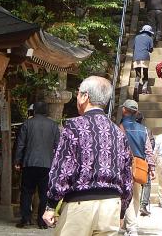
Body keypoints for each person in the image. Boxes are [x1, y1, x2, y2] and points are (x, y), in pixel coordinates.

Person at [43, 76, 133, 235]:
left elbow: (63, 168)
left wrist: (51, 204)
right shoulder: (118, 133)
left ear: (85, 96)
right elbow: (127, 176)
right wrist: (122, 211)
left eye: (78, 93)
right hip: (111, 205)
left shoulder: (74, 127)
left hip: (80, 204)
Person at [14, 101, 60, 229]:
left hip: (29, 163)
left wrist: (18, 161)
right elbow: (58, 146)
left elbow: (21, 144)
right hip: (47, 164)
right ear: (46, 112)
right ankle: (41, 221)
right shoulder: (53, 125)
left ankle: (25, 219)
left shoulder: (27, 124)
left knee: (26, 192)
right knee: (44, 193)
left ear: (34, 111)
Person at [120, 100, 155, 236]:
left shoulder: (120, 127)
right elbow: (148, 150)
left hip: (124, 166)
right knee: (135, 197)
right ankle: (131, 226)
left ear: (124, 110)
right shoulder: (144, 129)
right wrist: (151, 168)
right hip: (140, 167)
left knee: (125, 195)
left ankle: (131, 227)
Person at [135, 111, 155, 217]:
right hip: (143, 161)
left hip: (131, 160)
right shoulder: (146, 130)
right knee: (146, 184)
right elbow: (151, 146)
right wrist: (152, 166)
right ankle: (143, 205)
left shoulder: (127, 129)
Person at [132, 25, 154, 95]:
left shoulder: (137, 37)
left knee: (138, 74)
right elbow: (151, 50)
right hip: (145, 57)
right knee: (145, 73)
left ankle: (136, 87)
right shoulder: (150, 38)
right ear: (149, 32)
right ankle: (144, 89)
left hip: (136, 57)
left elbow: (134, 47)